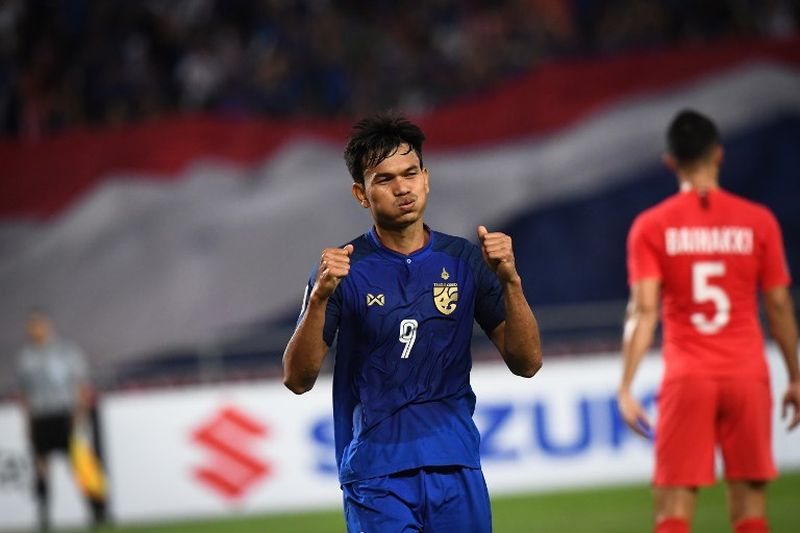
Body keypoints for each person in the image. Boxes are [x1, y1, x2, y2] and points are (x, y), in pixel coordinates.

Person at [282, 113, 542, 532]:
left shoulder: (464, 260)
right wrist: (318, 301)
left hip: (455, 462)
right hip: (377, 472)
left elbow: (527, 362)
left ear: (426, 178)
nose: (402, 188)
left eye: (410, 173)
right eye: (384, 180)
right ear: (361, 195)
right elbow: (297, 378)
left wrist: (511, 281)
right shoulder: (344, 269)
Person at [617, 109, 800, 533]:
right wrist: (794, 376)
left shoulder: (651, 226)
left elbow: (643, 312)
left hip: (688, 377)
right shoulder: (759, 222)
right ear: (719, 155)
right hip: (747, 375)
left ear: (670, 161)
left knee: (673, 511)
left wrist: (626, 386)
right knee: (751, 511)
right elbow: (778, 306)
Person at [15, 310, 106, 531]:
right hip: (41, 417)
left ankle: (96, 513)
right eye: (32, 325)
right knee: (42, 468)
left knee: (79, 466)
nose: (36, 329)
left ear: (48, 326)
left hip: (66, 414)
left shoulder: (66, 352)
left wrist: (80, 414)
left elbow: (82, 385)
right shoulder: (26, 358)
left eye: (40, 324)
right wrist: (27, 423)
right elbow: (24, 394)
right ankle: (44, 517)